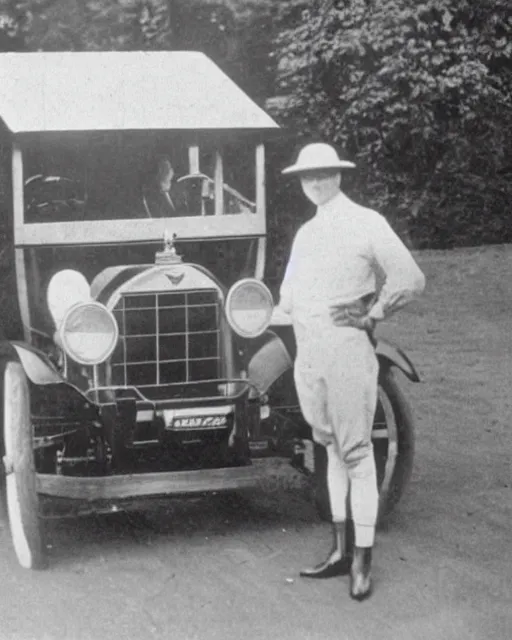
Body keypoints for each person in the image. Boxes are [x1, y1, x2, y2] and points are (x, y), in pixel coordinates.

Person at [277, 142, 425, 601]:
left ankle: (363, 560)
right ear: (301, 183)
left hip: (345, 351)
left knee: (357, 456)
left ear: (339, 176)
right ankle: (340, 551)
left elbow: (410, 277)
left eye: (324, 174)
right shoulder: (306, 233)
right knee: (331, 450)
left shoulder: (366, 222)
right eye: (308, 176)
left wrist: (373, 313)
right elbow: (288, 300)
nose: (316, 182)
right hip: (310, 355)